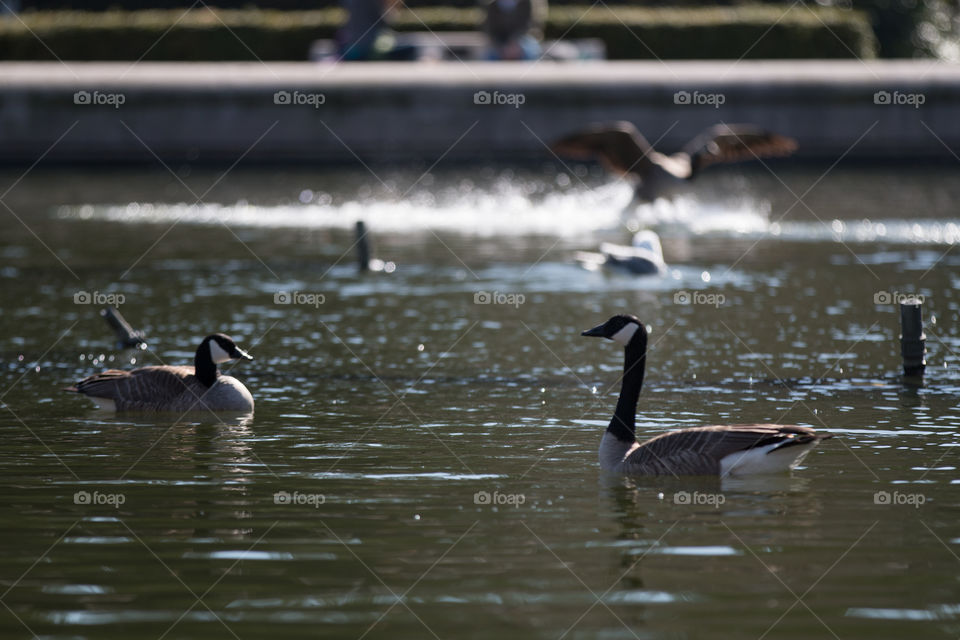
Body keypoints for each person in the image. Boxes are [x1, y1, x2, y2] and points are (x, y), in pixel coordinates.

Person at [338, 0, 416, 61]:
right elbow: (385, 21)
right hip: (370, 48)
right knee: (412, 48)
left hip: (352, 46)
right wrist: (393, 7)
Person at [482, 0, 547, 60]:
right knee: (490, 56)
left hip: (523, 40)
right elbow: (491, 31)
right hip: (501, 44)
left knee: (531, 54)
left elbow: (528, 26)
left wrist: (514, 43)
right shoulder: (493, 5)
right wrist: (501, 48)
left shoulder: (526, 3)